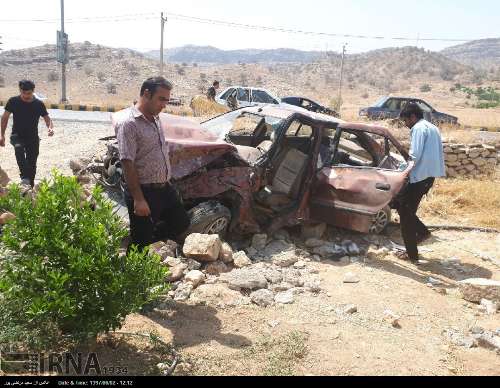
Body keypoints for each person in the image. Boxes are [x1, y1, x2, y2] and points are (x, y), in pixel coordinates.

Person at [115, 77, 190, 251]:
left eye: (167, 100)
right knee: (141, 244)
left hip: (164, 188)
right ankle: (134, 265)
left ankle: (142, 239)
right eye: (161, 99)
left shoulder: (155, 118)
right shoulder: (129, 123)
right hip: (144, 191)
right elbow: (127, 162)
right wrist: (139, 200)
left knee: (181, 222)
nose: (164, 105)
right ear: (147, 94)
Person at [396, 102, 446, 264]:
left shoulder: (418, 128)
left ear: (413, 116)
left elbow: (415, 156)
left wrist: (402, 170)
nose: (405, 124)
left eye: (406, 120)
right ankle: (423, 233)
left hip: (419, 177)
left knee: (405, 215)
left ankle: (412, 255)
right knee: (404, 209)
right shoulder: (432, 127)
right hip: (428, 177)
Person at [0, 80, 54, 187]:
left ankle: (30, 187)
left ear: (33, 91)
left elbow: (47, 119)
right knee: (18, 149)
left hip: (33, 137)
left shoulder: (38, 104)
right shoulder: (13, 101)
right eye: (23, 93)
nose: (25, 96)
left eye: (28, 93)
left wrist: (50, 128)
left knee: (32, 164)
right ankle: (24, 177)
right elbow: (4, 118)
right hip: (17, 136)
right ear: (20, 90)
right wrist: (2, 135)